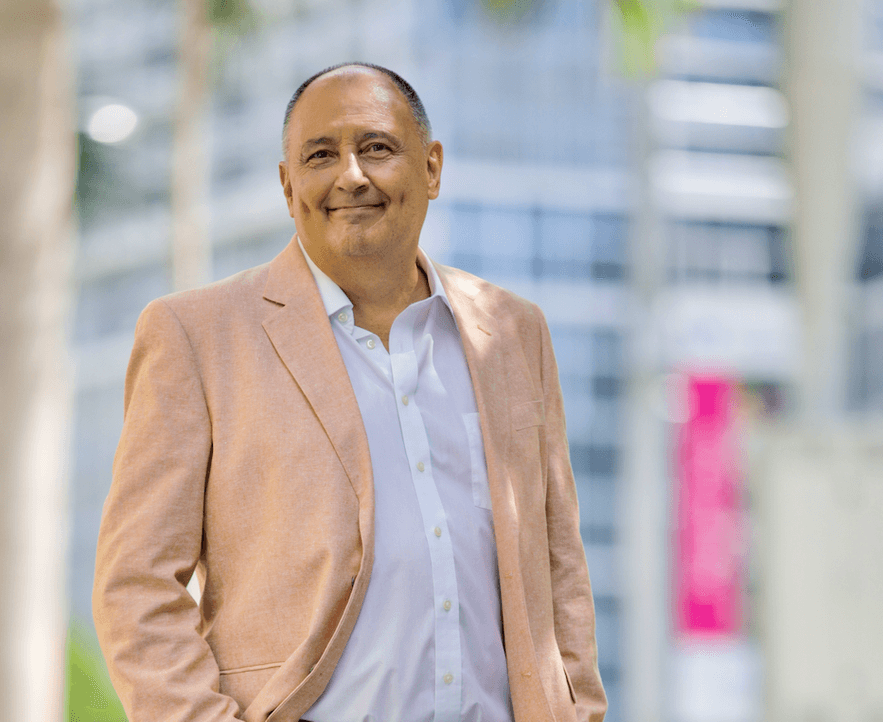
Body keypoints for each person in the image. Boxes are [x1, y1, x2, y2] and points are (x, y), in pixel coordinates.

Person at [93, 62, 607, 722]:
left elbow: (559, 562)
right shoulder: (195, 336)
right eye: (320, 155)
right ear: (287, 185)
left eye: (376, 148)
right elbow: (136, 585)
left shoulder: (513, 332)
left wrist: (578, 708)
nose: (351, 175)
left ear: (431, 168)